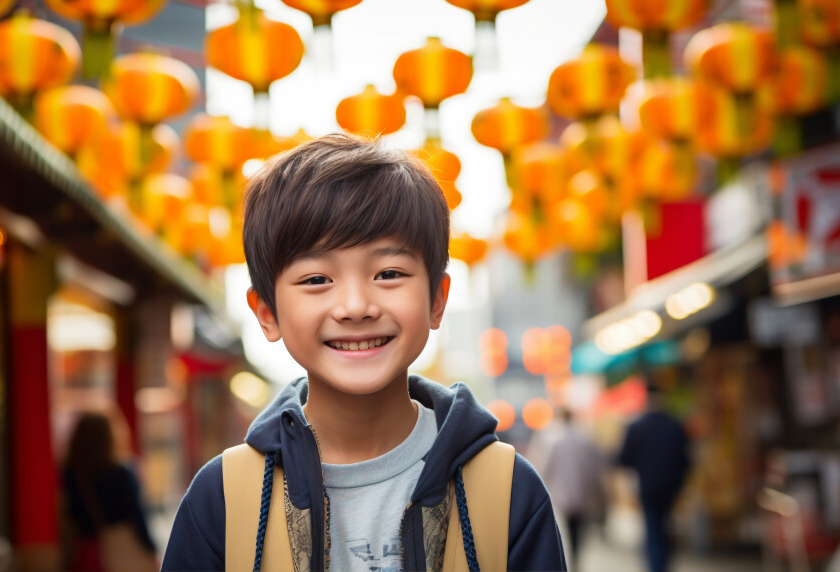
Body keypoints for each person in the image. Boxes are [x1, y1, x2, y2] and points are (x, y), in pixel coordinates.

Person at [161, 134, 566, 571]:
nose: (355, 306)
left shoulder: (507, 491)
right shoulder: (222, 499)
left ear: (437, 299)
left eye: (388, 273)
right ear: (266, 313)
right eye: (317, 279)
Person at [62, 409, 157, 572]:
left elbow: (72, 514)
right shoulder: (122, 472)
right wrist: (151, 548)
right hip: (122, 549)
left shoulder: (72, 473)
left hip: (88, 551)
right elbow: (136, 514)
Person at [617, 382, 691, 572]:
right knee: (665, 526)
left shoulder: (637, 426)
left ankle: (656, 566)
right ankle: (663, 564)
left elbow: (624, 459)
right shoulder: (675, 425)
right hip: (671, 487)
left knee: (653, 529)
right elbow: (686, 459)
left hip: (648, 487)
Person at [541, 408, 604, 569]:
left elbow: (548, 468)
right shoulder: (585, 441)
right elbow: (595, 468)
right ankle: (577, 558)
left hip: (564, 495)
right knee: (579, 528)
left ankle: (573, 559)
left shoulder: (558, 442)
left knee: (569, 529)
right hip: (583, 493)